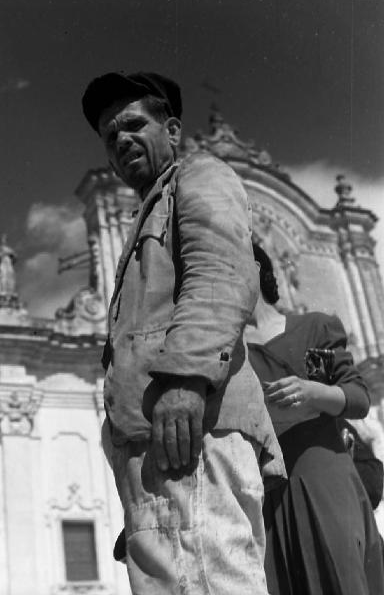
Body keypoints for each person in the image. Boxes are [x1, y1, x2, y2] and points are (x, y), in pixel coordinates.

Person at [81, 71, 285, 595]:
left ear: (171, 129)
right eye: (109, 136)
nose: (120, 140)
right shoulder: (151, 207)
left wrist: (185, 382)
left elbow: (220, 272)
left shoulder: (199, 176)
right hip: (158, 445)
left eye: (132, 124)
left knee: (211, 580)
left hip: (192, 427)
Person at [247, 241, 384, 595]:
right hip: (267, 494)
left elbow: (356, 398)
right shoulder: (227, 354)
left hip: (324, 475)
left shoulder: (312, 329)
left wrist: (312, 393)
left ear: (256, 271)